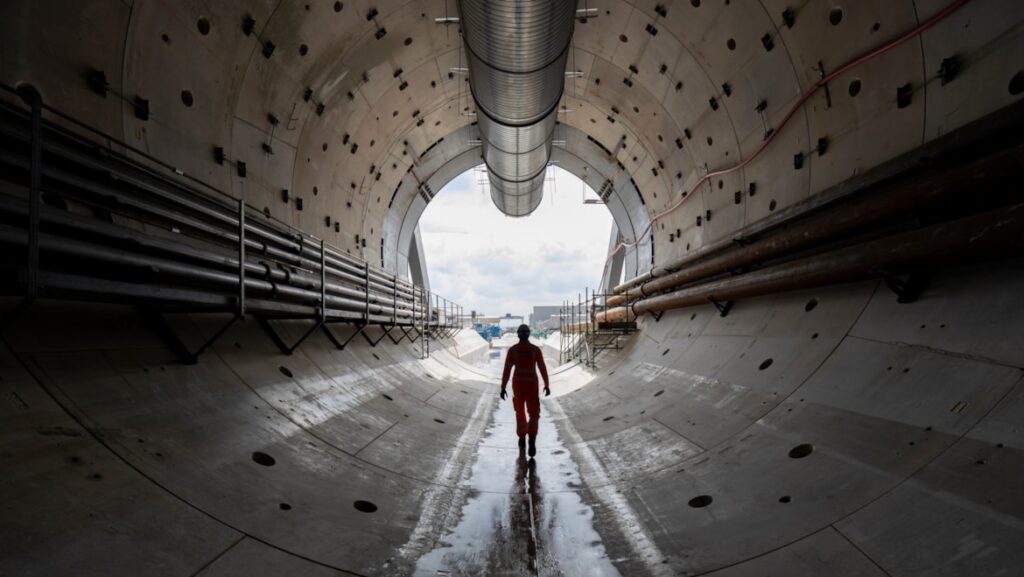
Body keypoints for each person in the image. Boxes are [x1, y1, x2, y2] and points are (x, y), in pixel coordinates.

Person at [500, 324, 550, 457]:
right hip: (532, 386)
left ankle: (522, 438)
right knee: (534, 413)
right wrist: (547, 384)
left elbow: (507, 370)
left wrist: (503, 387)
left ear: (518, 334)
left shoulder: (513, 351)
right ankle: (532, 439)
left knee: (520, 412)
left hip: (518, 386)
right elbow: (542, 368)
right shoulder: (535, 350)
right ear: (528, 334)